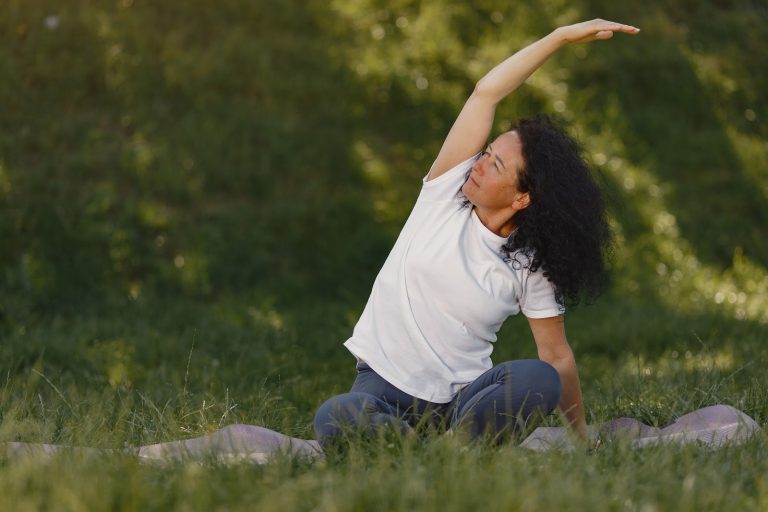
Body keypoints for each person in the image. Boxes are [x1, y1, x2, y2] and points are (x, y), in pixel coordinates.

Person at [314, 19, 640, 449]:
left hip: (464, 402)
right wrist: (559, 38)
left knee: (539, 379)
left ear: (523, 198)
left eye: (496, 165)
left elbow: (557, 357)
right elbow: (486, 92)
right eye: (486, 153)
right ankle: (421, 449)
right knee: (336, 416)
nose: (479, 164)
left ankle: (449, 445)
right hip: (383, 391)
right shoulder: (445, 192)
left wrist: (581, 439)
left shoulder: (529, 264)